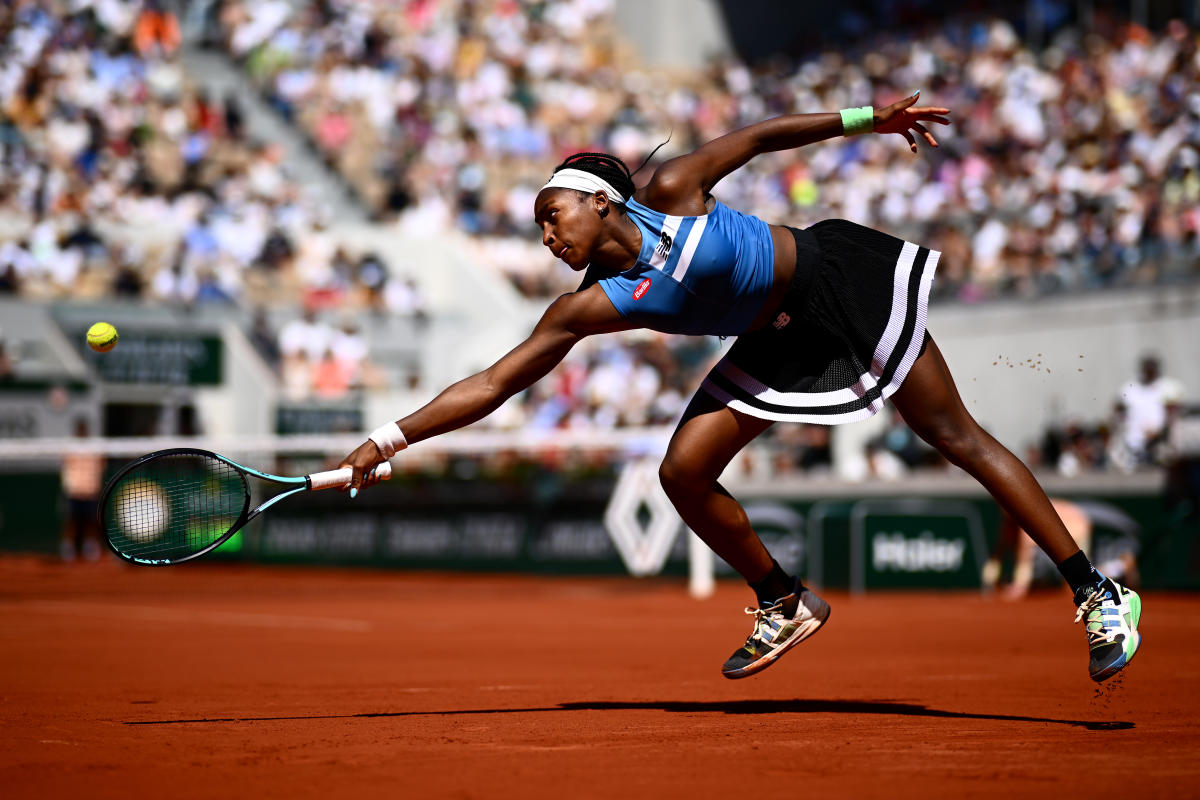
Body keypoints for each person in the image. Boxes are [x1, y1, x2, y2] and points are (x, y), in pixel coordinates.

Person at [338, 92, 1141, 684]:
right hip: (773, 337)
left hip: (833, 282)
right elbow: (494, 382)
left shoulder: (675, 189)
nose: (548, 238)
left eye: (553, 218)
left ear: (596, 198)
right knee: (682, 471)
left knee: (954, 436)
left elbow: (760, 136)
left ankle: (1097, 591)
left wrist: (870, 120)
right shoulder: (589, 305)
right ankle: (784, 601)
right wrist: (390, 438)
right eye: (542, 230)